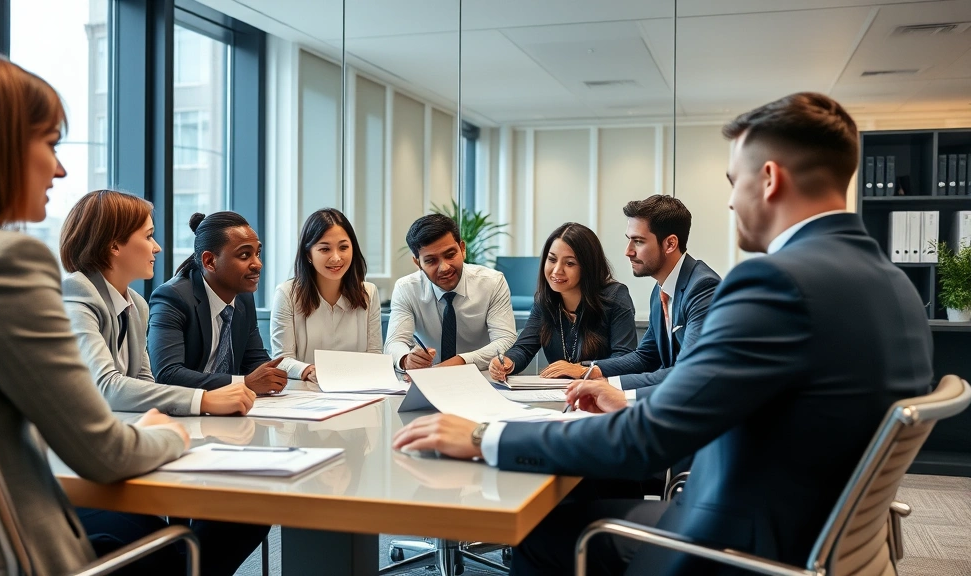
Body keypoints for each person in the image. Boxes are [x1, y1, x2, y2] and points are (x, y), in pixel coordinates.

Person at [392, 92, 933, 576]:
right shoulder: (894, 284)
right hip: (816, 534)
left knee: (542, 532)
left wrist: (485, 437)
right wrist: (620, 393)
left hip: (738, 544)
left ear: (768, 180)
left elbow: (649, 439)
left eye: (732, 182)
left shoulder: (776, 282)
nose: (729, 201)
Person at [0, 47, 189, 575]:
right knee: (173, 543)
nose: (59, 168)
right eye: (50, 143)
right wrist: (172, 434)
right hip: (21, 556)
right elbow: (102, 454)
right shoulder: (3, 265)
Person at [60, 190, 256, 416]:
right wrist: (204, 400)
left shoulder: (136, 304)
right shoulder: (76, 296)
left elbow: (146, 383)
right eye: (148, 236)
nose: (156, 247)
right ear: (114, 246)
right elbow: (106, 387)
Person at [585, 195, 721, 397]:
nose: (628, 251)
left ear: (670, 244)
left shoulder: (702, 288)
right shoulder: (661, 290)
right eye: (629, 240)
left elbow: (688, 372)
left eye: (638, 241)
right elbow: (646, 357)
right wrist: (589, 370)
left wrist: (611, 387)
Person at [148, 211, 287, 396]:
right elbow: (167, 374)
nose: (258, 264)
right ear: (210, 261)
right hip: (180, 413)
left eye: (257, 253)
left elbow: (254, 360)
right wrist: (244, 383)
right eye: (245, 255)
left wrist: (272, 375)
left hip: (229, 410)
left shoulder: (243, 298)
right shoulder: (172, 297)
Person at [488, 222, 636, 381]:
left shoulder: (615, 296)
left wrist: (582, 369)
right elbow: (524, 348)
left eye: (570, 263)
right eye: (552, 260)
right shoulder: (544, 300)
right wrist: (507, 362)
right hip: (558, 394)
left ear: (588, 267)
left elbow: (625, 358)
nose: (557, 270)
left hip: (602, 393)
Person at [384, 213, 517, 371]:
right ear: (418, 263)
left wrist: (461, 361)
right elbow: (394, 342)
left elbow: (505, 340)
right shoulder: (406, 288)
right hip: (427, 380)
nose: (444, 268)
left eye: (450, 255)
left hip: (480, 377)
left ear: (462, 249)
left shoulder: (492, 282)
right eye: (431, 260)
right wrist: (406, 360)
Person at [270, 208, 382, 383]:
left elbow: (375, 354)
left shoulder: (369, 292)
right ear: (308, 254)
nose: (336, 258)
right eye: (325, 249)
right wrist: (308, 370)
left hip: (358, 391)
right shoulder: (286, 294)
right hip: (306, 393)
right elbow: (281, 359)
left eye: (343, 247)